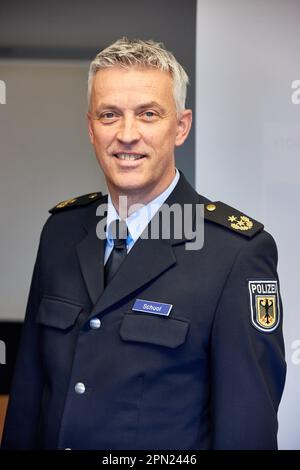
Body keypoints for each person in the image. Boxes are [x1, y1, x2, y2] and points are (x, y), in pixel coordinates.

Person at [2, 37, 286, 450]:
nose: (127, 134)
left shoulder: (235, 252)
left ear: (181, 127)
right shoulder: (61, 232)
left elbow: (247, 430)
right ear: (90, 127)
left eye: (148, 114)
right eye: (109, 115)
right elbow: (29, 395)